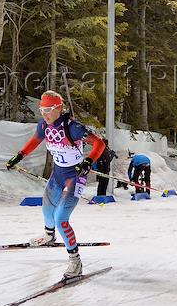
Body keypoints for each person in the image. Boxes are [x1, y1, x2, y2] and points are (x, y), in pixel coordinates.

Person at [6, 91, 106, 279]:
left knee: (61, 218)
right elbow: (35, 140)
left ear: (58, 108)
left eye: (48, 110)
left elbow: (99, 144)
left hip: (74, 177)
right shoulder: (44, 126)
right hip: (58, 175)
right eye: (42, 110)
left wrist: (88, 161)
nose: (44, 114)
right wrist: (19, 156)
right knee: (46, 209)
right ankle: (49, 236)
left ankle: (75, 261)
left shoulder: (72, 127)